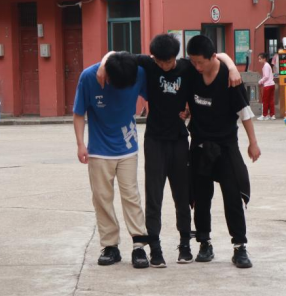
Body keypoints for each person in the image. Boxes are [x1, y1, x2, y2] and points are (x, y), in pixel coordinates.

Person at [95, 34, 242, 265]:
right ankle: (155, 248)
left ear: (176, 56)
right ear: (154, 58)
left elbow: (218, 55)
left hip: (179, 140)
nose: (165, 66)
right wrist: (104, 64)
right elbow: (117, 54)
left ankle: (185, 244)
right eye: (160, 62)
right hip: (154, 140)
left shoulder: (186, 67)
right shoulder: (149, 64)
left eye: (169, 61)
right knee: (154, 196)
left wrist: (232, 67)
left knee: (182, 195)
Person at [73, 52, 154, 268]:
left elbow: (152, 95)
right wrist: (80, 143)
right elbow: (79, 112)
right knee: (102, 198)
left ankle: (139, 245)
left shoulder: (136, 72)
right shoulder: (88, 77)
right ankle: (110, 246)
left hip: (127, 147)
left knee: (131, 196)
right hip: (99, 150)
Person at [185, 35, 260, 268]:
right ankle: (204, 243)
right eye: (193, 62)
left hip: (226, 145)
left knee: (233, 196)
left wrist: (253, 142)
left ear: (212, 57)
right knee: (201, 198)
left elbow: (244, 112)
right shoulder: (191, 72)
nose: (197, 67)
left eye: (200, 62)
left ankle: (239, 247)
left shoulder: (230, 77)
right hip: (199, 144)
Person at [257, 52, 276, 120]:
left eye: (260, 59)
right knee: (271, 100)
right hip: (272, 84)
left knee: (265, 100)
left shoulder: (265, 66)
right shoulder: (268, 65)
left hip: (267, 85)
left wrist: (260, 81)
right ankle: (272, 115)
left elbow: (266, 76)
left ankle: (265, 115)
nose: (259, 60)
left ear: (264, 59)